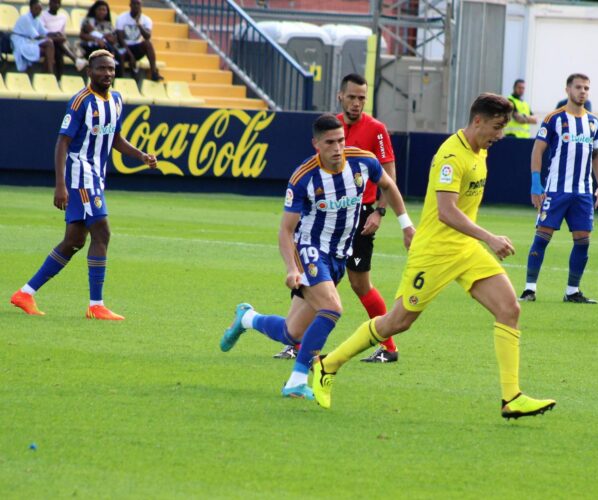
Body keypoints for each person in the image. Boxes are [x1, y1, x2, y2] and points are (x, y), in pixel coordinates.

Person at [310, 93, 556, 420]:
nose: (499, 136)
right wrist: (489, 238)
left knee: (509, 308)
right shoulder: (451, 156)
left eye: (503, 129)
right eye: (496, 127)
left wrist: (479, 241)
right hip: (435, 252)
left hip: (464, 249)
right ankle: (327, 366)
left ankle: (511, 397)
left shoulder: (479, 150)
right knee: (398, 322)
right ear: (478, 121)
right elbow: (445, 211)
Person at [218, 114, 414, 399]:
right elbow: (286, 230)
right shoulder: (303, 177)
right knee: (333, 308)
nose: (338, 148)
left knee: (292, 333)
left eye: (341, 141)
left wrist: (406, 225)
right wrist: (290, 268)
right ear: (316, 144)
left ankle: (247, 318)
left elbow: (388, 184)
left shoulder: (362, 161)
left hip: (337, 256)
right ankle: (297, 381)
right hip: (309, 250)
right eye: (330, 143)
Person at [10, 50, 157, 319]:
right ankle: (96, 305)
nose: (108, 74)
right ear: (90, 72)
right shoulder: (80, 102)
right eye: (102, 69)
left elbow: (115, 139)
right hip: (81, 177)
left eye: (111, 69)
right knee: (102, 233)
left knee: (74, 240)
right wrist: (60, 185)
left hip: (96, 177)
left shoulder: (116, 100)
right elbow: (62, 142)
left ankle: (25, 293)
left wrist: (141, 156)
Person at [273, 73, 402, 362]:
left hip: (360, 216)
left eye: (362, 98)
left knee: (359, 284)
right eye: (352, 97)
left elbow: (388, 176)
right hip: (325, 215)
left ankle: (388, 346)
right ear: (340, 97)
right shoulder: (329, 127)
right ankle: (297, 343)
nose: (357, 103)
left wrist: (379, 213)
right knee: (309, 278)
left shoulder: (376, 130)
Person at [520, 73, 598, 304]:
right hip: (556, 190)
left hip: (583, 192)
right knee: (542, 237)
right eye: (578, 87)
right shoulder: (554, 119)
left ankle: (572, 291)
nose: (583, 91)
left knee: (583, 240)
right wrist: (536, 184)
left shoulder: (594, 122)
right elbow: (537, 150)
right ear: (568, 89)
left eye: (586, 87)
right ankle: (529, 289)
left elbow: (597, 154)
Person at [115, 0, 162, 81]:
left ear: (141, 5)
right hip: (124, 48)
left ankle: (153, 73)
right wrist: (131, 56)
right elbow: (120, 40)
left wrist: (139, 24)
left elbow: (147, 36)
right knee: (121, 54)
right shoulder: (121, 18)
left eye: (138, 4)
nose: (136, 5)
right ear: (130, 5)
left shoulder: (146, 19)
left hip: (136, 48)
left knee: (148, 44)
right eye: (134, 3)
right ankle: (120, 80)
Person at [39, 0, 87, 77]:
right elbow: (42, 33)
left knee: (58, 51)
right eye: (55, 2)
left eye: (58, 3)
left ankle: (58, 78)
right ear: (50, 3)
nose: (56, 5)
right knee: (58, 41)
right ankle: (75, 60)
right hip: (46, 41)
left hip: (58, 43)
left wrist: (60, 37)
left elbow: (62, 33)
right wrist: (57, 36)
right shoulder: (43, 15)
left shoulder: (63, 17)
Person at [10, 0, 55, 75]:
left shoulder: (37, 19)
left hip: (29, 41)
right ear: (31, 8)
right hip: (21, 42)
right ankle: (49, 72)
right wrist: (54, 38)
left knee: (48, 49)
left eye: (40, 9)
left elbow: (45, 32)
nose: (38, 11)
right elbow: (36, 36)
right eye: (36, 9)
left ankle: (46, 72)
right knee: (49, 43)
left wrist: (56, 34)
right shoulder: (25, 18)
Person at [79, 0, 124, 76]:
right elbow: (83, 35)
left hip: (107, 48)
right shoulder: (88, 21)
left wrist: (98, 34)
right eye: (99, 9)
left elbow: (112, 40)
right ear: (95, 10)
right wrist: (98, 39)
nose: (102, 12)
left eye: (104, 10)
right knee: (103, 51)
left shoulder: (108, 24)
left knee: (119, 54)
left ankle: (118, 80)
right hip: (90, 47)